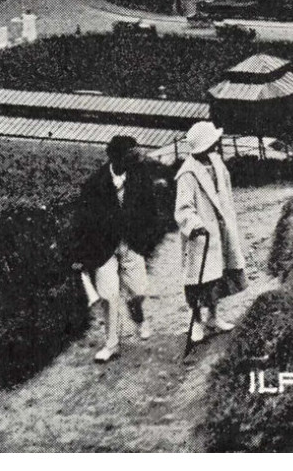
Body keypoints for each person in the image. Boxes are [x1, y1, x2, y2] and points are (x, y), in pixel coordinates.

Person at [66, 135, 166, 363]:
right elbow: (82, 220)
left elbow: (151, 212)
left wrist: (146, 241)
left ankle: (139, 318)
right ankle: (111, 344)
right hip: (104, 248)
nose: (137, 158)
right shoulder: (94, 184)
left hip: (131, 243)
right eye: (131, 155)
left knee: (138, 291)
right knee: (108, 296)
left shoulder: (140, 178)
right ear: (116, 157)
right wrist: (80, 254)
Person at [175, 121, 247, 345]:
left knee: (219, 272)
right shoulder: (187, 174)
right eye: (213, 142)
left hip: (220, 227)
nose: (217, 144)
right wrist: (194, 223)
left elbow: (224, 189)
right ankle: (197, 320)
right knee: (198, 278)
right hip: (201, 233)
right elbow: (183, 207)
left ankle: (214, 317)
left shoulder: (217, 162)